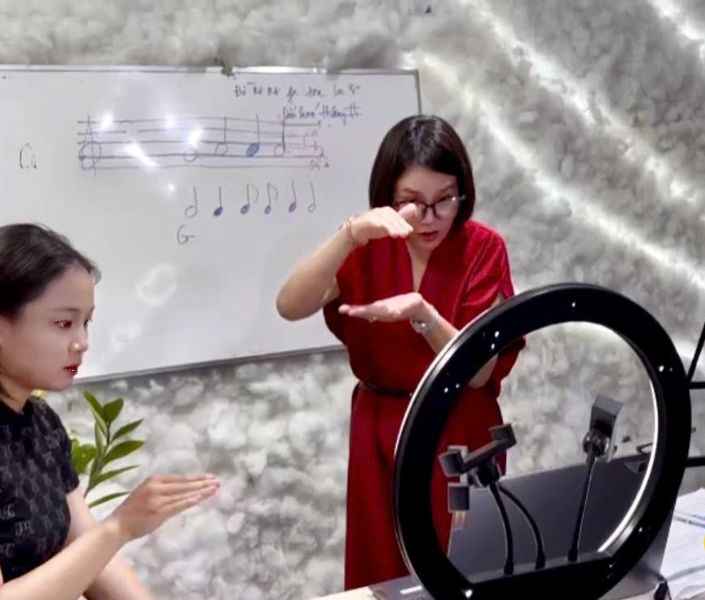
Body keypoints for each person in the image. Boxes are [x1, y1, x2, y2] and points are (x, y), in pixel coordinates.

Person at [276, 114, 524, 589]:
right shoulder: (368, 243)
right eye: (412, 201)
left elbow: (478, 372)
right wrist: (349, 235)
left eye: (445, 200)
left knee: (460, 570)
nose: (429, 217)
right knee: (381, 570)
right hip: (379, 426)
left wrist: (423, 314)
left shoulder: (483, 247)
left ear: (463, 192)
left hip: (457, 425)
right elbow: (290, 305)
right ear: (387, 196)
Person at [0, 223, 219, 600]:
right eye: (63, 323)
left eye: (85, 323)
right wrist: (120, 527)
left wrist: (117, 532)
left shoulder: (42, 424)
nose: (82, 343)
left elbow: (85, 548)